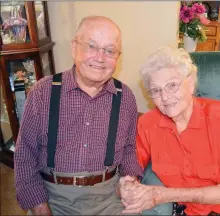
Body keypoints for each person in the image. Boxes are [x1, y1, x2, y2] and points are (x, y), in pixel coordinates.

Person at [14, 16, 143, 215]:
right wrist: (40, 207)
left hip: (108, 197)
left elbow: (128, 150)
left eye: (110, 50)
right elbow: (25, 155)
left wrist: (131, 181)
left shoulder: (125, 97)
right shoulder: (43, 92)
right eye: (91, 46)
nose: (100, 58)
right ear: (74, 47)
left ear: (118, 56)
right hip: (53, 197)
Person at [119, 46, 220, 215]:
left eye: (172, 85)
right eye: (156, 90)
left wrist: (161, 194)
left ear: (190, 84)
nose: (165, 97)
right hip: (190, 209)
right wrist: (128, 183)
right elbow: (132, 162)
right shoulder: (148, 123)